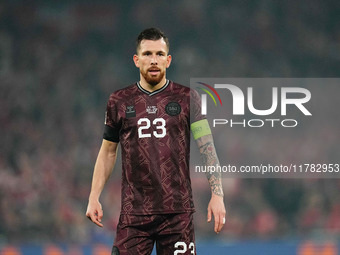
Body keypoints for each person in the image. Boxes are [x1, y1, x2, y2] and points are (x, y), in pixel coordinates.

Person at [86, 28, 226, 255]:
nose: (154, 60)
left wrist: (217, 195)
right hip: (134, 213)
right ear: (136, 59)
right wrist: (94, 197)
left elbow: (207, 148)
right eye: (148, 54)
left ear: (168, 60)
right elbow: (108, 152)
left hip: (177, 213)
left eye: (160, 54)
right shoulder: (119, 101)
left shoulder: (188, 98)